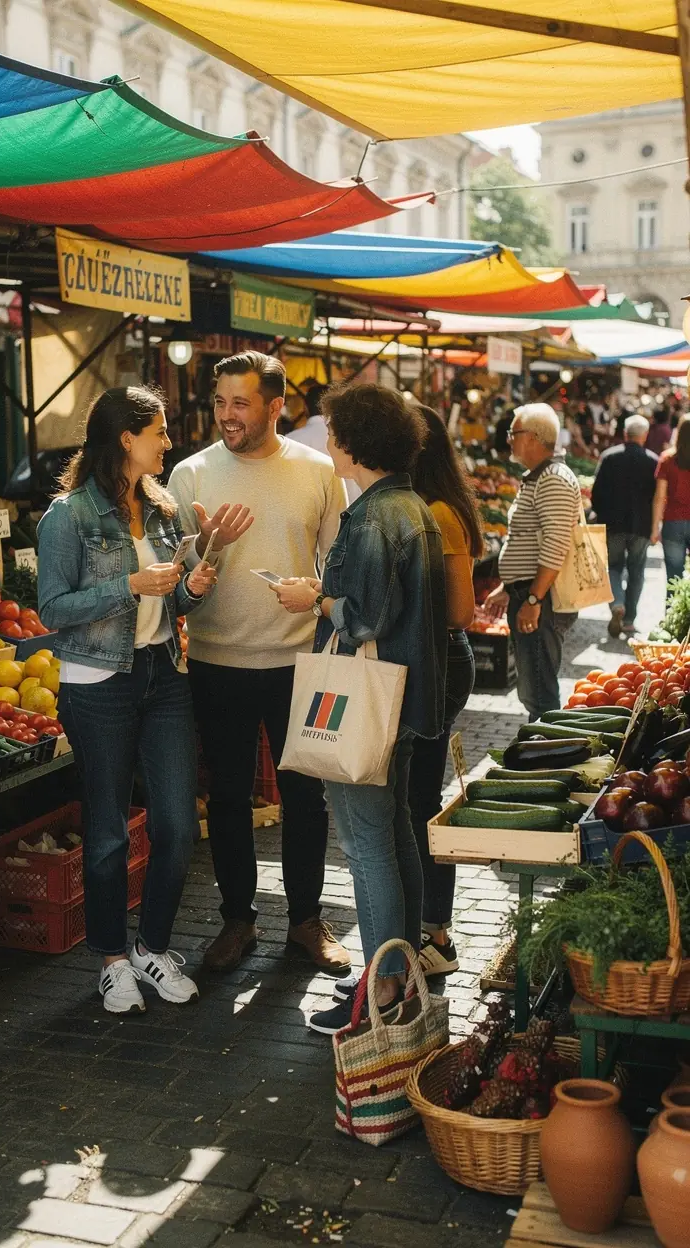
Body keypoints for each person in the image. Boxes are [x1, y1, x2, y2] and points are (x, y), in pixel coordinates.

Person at [271, 384, 447, 1034]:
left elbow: (366, 613)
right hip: (399, 697)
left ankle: (381, 991)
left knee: (369, 844)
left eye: (337, 431)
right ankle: (397, 974)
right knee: (393, 833)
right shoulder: (413, 507)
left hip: (365, 700)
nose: (330, 440)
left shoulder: (374, 516)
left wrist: (314, 601)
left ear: (354, 443)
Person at [168, 352, 351, 975]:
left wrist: (321, 598)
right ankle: (237, 920)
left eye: (240, 403)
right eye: (220, 402)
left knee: (306, 795)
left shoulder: (319, 470)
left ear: (276, 407)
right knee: (226, 795)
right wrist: (206, 546)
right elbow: (175, 573)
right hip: (217, 658)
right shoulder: (190, 474)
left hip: (300, 660)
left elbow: (340, 561)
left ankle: (305, 920)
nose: (227, 415)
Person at [37, 387, 217, 1014]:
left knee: (176, 824)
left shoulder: (163, 509)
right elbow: (52, 610)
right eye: (159, 432)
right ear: (125, 439)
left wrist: (189, 585)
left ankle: (154, 948)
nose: (169, 442)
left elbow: (170, 604)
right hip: (97, 684)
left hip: (162, 673)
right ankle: (113, 959)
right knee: (109, 833)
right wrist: (128, 585)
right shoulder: (68, 516)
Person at [407, 408, 482, 978]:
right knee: (415, 798)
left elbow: (461, 611)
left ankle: (436, 934)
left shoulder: (437, 514)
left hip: (439, 660)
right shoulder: (429, 507)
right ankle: (431, 928)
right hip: (433, 660)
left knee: (420, 802)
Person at [485, 403, 580, 721]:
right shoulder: (538, 477)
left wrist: (533, 598)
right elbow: (527, 542)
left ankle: (546, 758)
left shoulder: (552, 478)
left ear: (535, 437)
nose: (509, 438)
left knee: (539, 691)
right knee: (533, 687)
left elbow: (556, 544)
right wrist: (507, 587)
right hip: (529, 592)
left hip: (543, 599)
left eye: (514, 432)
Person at [591, 414, 657, 638]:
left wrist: (601, 515)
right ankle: (629, 621)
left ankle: (617, 603)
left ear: (625, 434)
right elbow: (657, 497)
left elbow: (596, 493)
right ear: (645, 436)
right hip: (642, 526)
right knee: (637, 571)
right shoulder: (653, 461)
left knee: (614, 567)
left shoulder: (609, 457)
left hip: (613, 524)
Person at [652, 414, 690, 585]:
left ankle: (672, 611)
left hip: (673, 522)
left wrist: (654, 528)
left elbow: (660, 497)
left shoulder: (667, 459)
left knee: (674, 579)